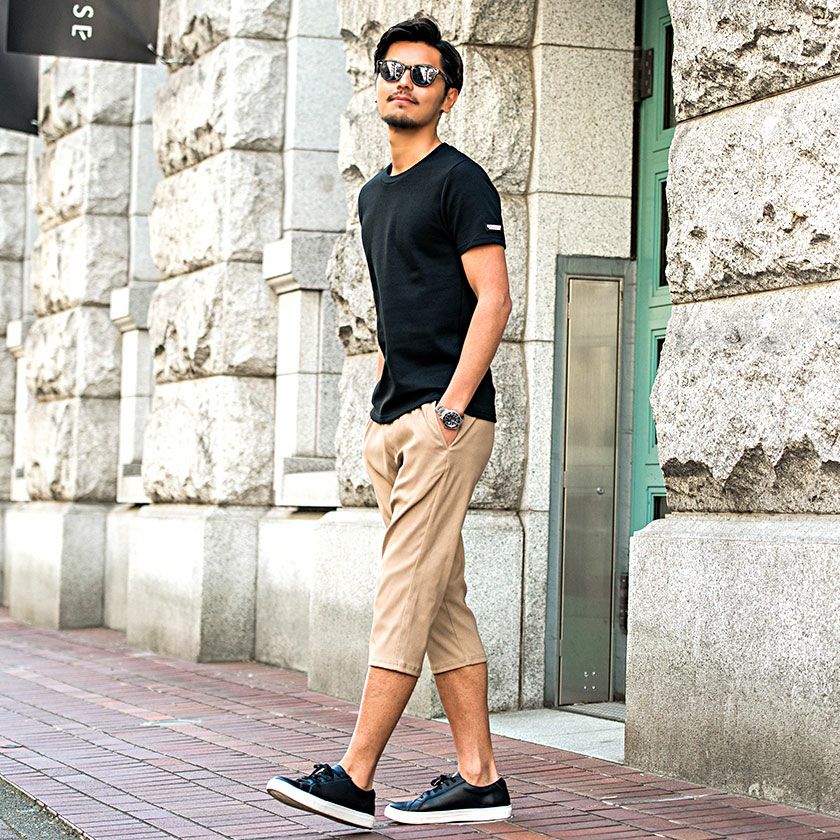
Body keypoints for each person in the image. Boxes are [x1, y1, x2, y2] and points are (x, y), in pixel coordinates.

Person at [266, 15, 513, 829]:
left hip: (446, 421)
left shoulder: (461, 182)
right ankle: (479, 778)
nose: (404, 83)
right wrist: (382, 411)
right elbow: (394, 307)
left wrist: (451, 409)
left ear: (449, 95)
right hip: (393, 423)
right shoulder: (373, 194)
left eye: (423, 74)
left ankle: (356, 775)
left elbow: (494, 300)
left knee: (403, 594)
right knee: (440, 601)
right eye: (392, 70)